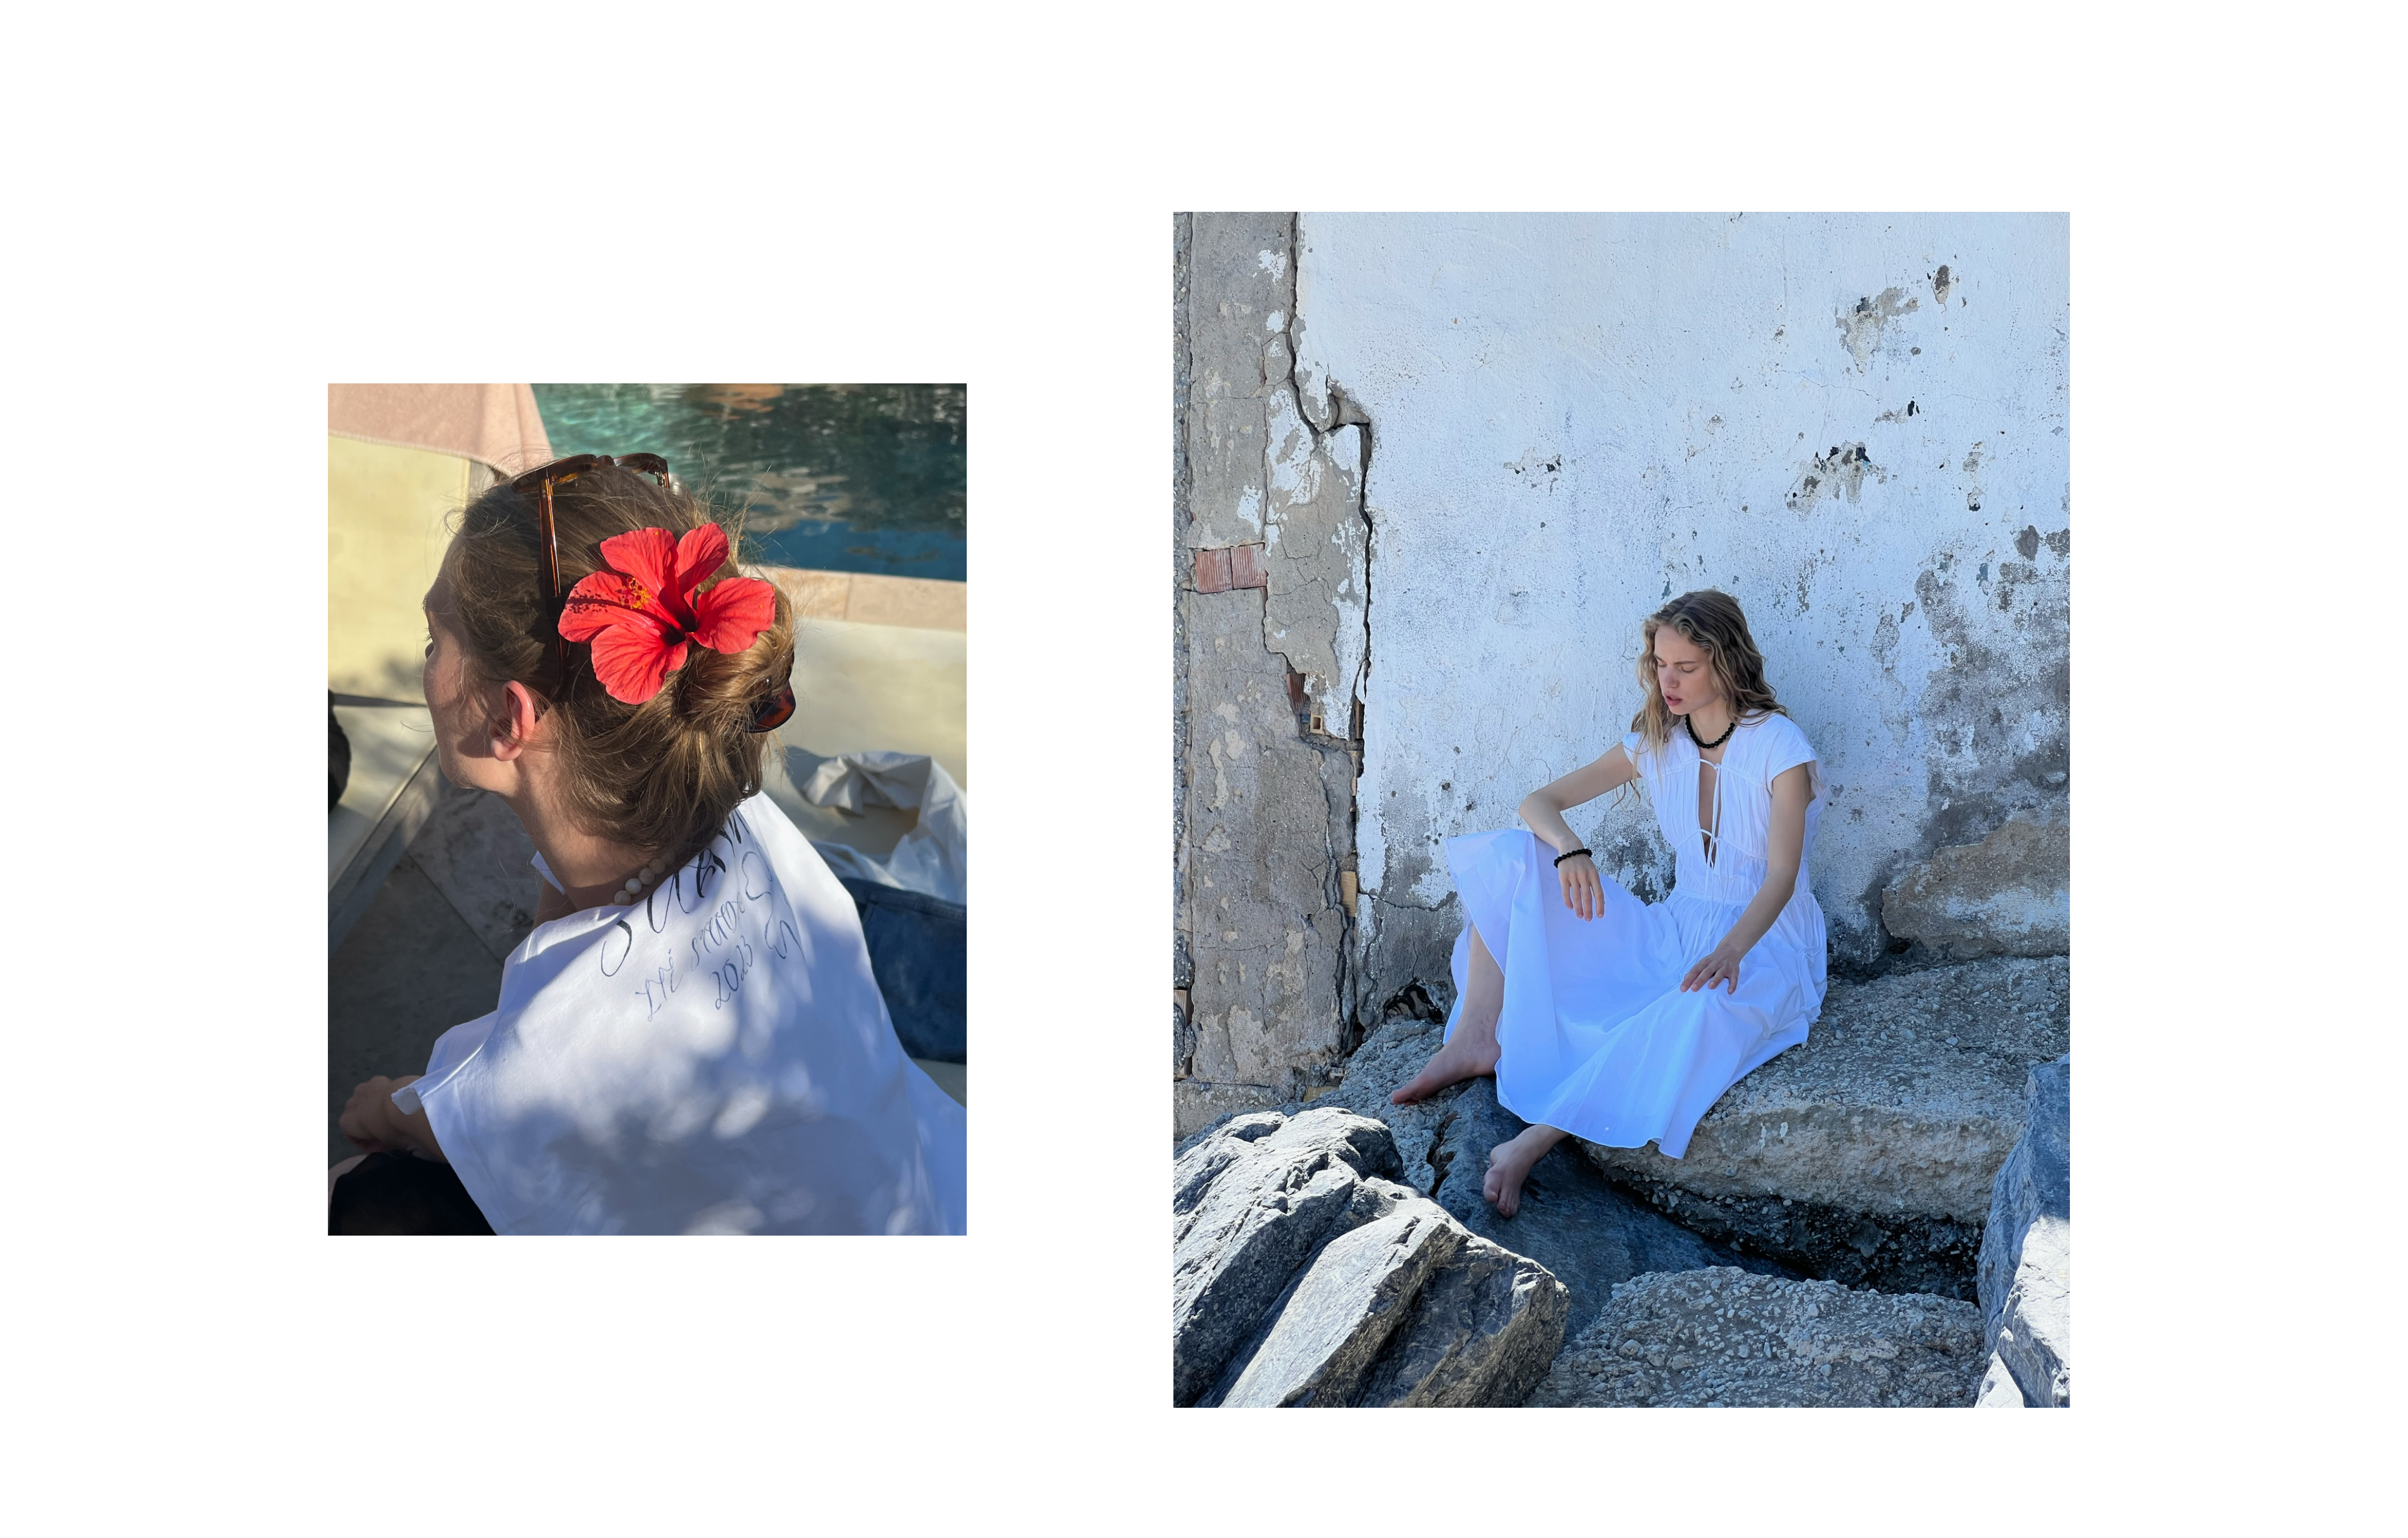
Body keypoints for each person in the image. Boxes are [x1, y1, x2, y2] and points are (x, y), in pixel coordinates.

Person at [329, 454, 967, 1235]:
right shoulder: (745, 823)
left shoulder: (545, 1074)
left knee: (353, 1195)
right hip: (933, 1183)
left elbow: (470, 1122)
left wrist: (393, 1111)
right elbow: (565, 934)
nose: (426, 665)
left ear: (510, 720)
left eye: (434, 640)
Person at [1390, 589, 1826, 1219]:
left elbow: (1782, 875)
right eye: (1659, 664)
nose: (1666, 681)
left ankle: (1532, 1142)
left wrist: (1730, 950)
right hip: (1676, 922)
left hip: (1765, 938)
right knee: (1516, 857)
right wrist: (1570, 848)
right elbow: (1537, 802)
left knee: (1694, 1008)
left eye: (1685, 667)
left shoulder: (1779, 745)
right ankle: (1475, 1036)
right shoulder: (1656, 741)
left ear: (1726, 663)